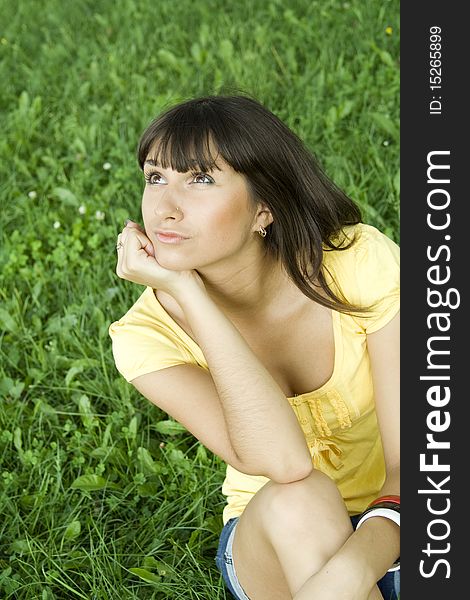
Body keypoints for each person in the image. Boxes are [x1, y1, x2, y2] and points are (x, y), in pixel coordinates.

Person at [108, 94, 400, 600]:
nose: (165, 207)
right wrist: (188, 295)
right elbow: (284, 464)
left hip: (397, 521)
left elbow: (419, 467)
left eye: (200, 179)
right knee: (300, 498)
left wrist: (349, 574)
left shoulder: (356, 263)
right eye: (155, 177)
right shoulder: (144, 338)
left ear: (264, 207)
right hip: (272, 540)